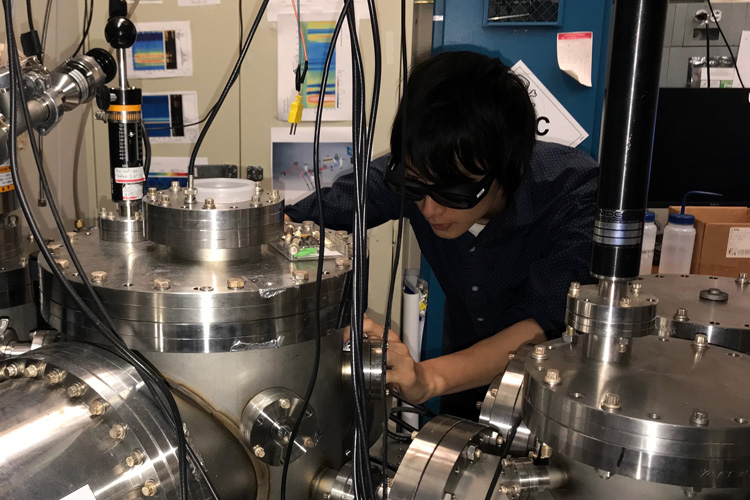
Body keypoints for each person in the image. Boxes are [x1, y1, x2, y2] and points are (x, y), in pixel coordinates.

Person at [284, 50, 599, 419]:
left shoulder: (574, 191)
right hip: (462, 377)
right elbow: (305, 220)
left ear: (508, 167)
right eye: (415, 186)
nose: (430, 209)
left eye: (455, 193)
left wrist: (428, 378)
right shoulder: (416, 172)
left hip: (555, 391)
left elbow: (543, 325)